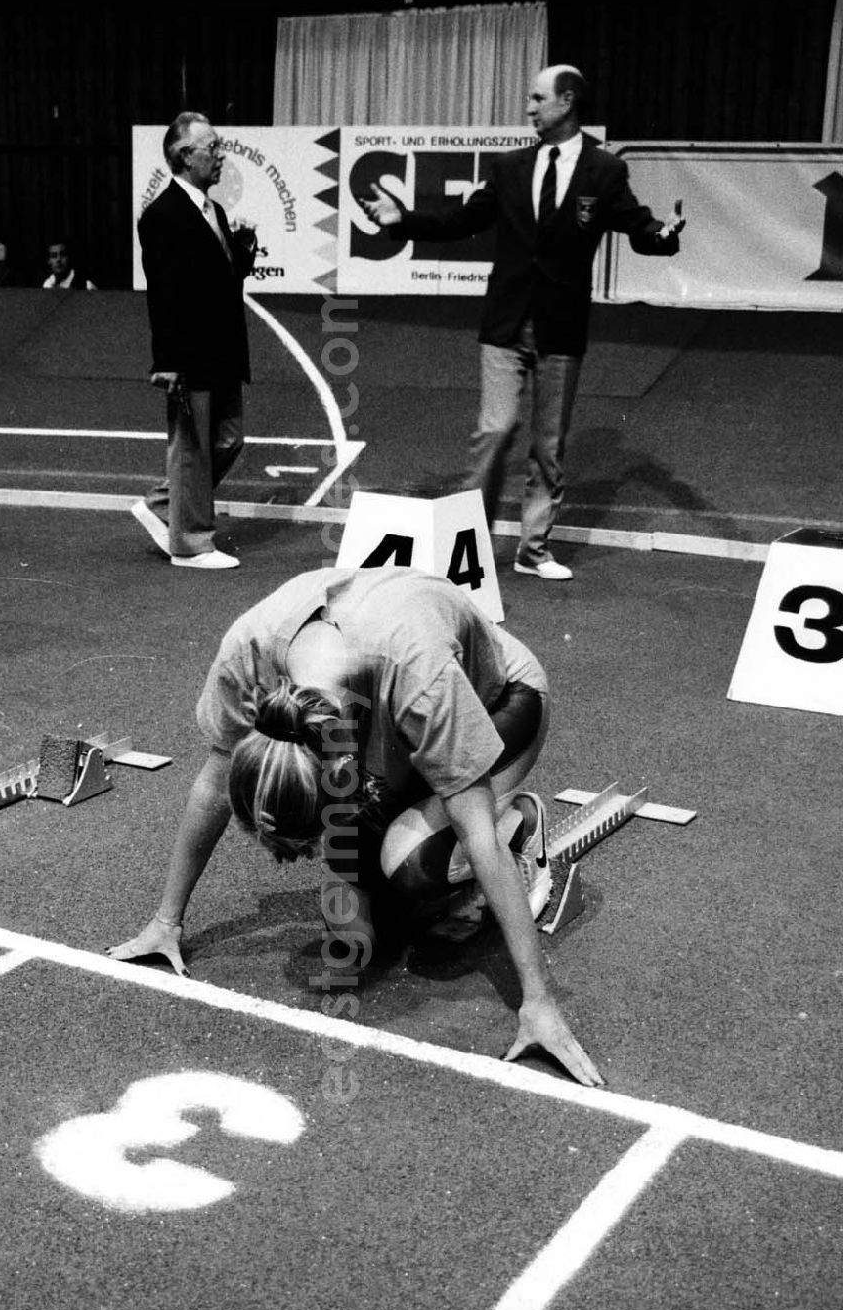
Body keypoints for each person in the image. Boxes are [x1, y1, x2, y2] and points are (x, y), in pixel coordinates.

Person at [107, 564, 604, 1088]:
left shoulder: (420, 678)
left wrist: (539, 1001)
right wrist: (167, 921)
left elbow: (478, 836)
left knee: (414, 868)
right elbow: (213, 787)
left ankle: (521, 823)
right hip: (385, 727)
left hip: (501, 701)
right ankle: (412, 825)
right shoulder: (249, 655)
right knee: (366, 935)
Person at [360, 64, 686, 582]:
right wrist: (405, 221)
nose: (529, 107)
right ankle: (466, 545)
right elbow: (464, 219)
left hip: (562, 327)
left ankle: (533, 550)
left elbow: (636, 225)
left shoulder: (604, 171)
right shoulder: (510, 166)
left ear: (568, 101)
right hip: (506, 323)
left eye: (538, 98)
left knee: (548, 446)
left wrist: (664, 236)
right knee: (495, 430)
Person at [131, 110, 258, 572]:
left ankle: (165, 506)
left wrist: (242, 244)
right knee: (192, 448)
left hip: (223, 349)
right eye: (213, 148)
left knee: (227, 440)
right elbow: (163, 294)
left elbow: (226, 278)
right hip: (189, 353)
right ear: (186, 156)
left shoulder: (214, 211)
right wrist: (166, 361)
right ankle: (190, 545)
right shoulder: (162, 215)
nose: (221, 156)